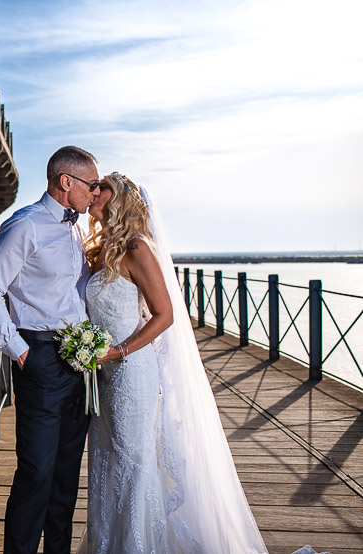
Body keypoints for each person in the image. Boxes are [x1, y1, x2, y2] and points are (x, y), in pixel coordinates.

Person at [76, 172, 267, 553]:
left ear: (121, 200)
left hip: (131, 371)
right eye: (92, 187)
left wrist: (117, 352)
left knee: (133, 462)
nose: (94, 192)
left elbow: (165, 315)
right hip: (102, 373)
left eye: (102, 188)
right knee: (105, 461)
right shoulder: (97, 251)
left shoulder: (136, 248)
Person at [0, 146, 101, 553]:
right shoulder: (24, 225)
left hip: (78, 360)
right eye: (91, 184)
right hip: (40, 355)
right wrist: (20, 350)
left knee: (66, 475)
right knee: (36, 472)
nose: (95, 192)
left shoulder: (74, 227)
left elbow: (73, 294)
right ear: (67, 182)